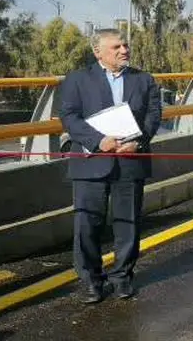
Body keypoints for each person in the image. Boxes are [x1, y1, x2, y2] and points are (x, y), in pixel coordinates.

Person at [58, 29, 162, 302]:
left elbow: (153, 115)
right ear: (98, 52)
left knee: (128, 222)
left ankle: (122, 277)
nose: (124, 50)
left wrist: (139, 142)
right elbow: (68, 116)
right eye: (116, 46)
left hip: (130, 161)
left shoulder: (144, 79)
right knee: (87, 224)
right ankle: (92, 280)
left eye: (125, 45)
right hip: (91, 161)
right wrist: (97, 140)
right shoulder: (77, 79)